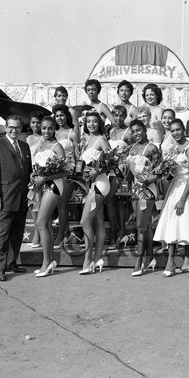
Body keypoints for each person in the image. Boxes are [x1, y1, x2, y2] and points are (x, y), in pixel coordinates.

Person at [153, 119, 189, 277]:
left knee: (183, 222)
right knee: (172, 224)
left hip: (186, 189)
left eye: (178, 130)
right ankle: (178, 260)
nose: (175, 133)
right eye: (173, 130)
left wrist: (183, 198)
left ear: (184, 130)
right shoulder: (174, 147)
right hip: (174, 187)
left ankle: (181, 260)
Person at [0, 115, 32, 281]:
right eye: (11, 127)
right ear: (6, 127)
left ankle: (11, 262)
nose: (14, 130)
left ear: (21, 128)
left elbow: (28, 173)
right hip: (4, 197)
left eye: (17, 127)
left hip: (22, 197)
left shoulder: (25, 146)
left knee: (17, 233)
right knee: (3, 234)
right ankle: (0, 268)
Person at [30, 116, 68, 277]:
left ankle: (47, 262)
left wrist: (44, 178)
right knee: (43, 223)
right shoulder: (41, 144)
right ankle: (50, 260)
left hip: (53, 185)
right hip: (41, 185)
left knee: (41, 222)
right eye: (43, 128)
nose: (46, 131)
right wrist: (34, 174)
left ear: (54, 129)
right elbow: (38, 165)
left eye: (50, 128)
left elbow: (66, 170)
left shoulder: (57, 146)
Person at [126, 119, 159, 276]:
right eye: (133, 131)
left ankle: (139, 261)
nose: (136, 134)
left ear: (145, 130)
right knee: (145, 227)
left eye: (138, 130)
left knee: (140, 227)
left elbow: (160, 172)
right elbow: (130, 173)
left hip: (147, 191)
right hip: (135, 191)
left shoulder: (152, 148)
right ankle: (150, 257)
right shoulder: (132, 148)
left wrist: (146, 180)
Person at [79, 111, 111, 275]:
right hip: (90, 185)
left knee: (85, 222)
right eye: (89, 121)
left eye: (95, 121)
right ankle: (98, 258)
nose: (91, 124)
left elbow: (112, 161)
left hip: (100, 183)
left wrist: (96, 171)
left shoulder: (102, 140)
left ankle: (87, 260)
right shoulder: (86, 139)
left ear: (99, 123)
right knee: (98, 222)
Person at [105, 105, 133, 249]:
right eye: (115, 115)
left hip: (122, 171)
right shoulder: (111, 130)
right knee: (113, 201)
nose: (118, 118)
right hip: (110, 170)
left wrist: (128, 171)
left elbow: (133, 152)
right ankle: (116, 233)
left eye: (121, 115)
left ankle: (119, 233)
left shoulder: (128, 132)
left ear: (125, 115)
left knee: (117, 200)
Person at [53, 104, 79, 248]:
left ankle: (61, 236)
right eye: (57, 116)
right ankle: (65, 233)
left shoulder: (72, 133)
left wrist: (76, 173)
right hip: (56, 173)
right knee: (58, 204)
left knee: (62, 203)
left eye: (62, 115)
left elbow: (77, 155)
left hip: (69, 173)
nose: (59, 118)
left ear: (67, 116)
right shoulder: (54, 133)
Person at [26, 111, 44, 248]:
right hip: (30, 174)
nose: (35, 125)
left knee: (40, 206)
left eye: (38, 122)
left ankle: (40, 235)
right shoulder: (28, 139)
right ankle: (36, 233)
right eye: (33, 122)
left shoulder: (45, 138)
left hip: (42, 175)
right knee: (33, 206)